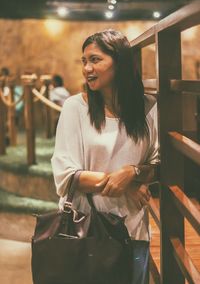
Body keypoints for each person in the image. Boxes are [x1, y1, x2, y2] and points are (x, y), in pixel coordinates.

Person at [51, 29, 159, 282]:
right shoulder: (75, 107)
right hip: (86, 230)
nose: (87, 68)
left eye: (95, 60)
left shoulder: (149, 107)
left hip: (133, 230)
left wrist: (132, 173)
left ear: (120, 63)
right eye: (84, 61)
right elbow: (67, 175)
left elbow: (157, 162)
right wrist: (125, 185)